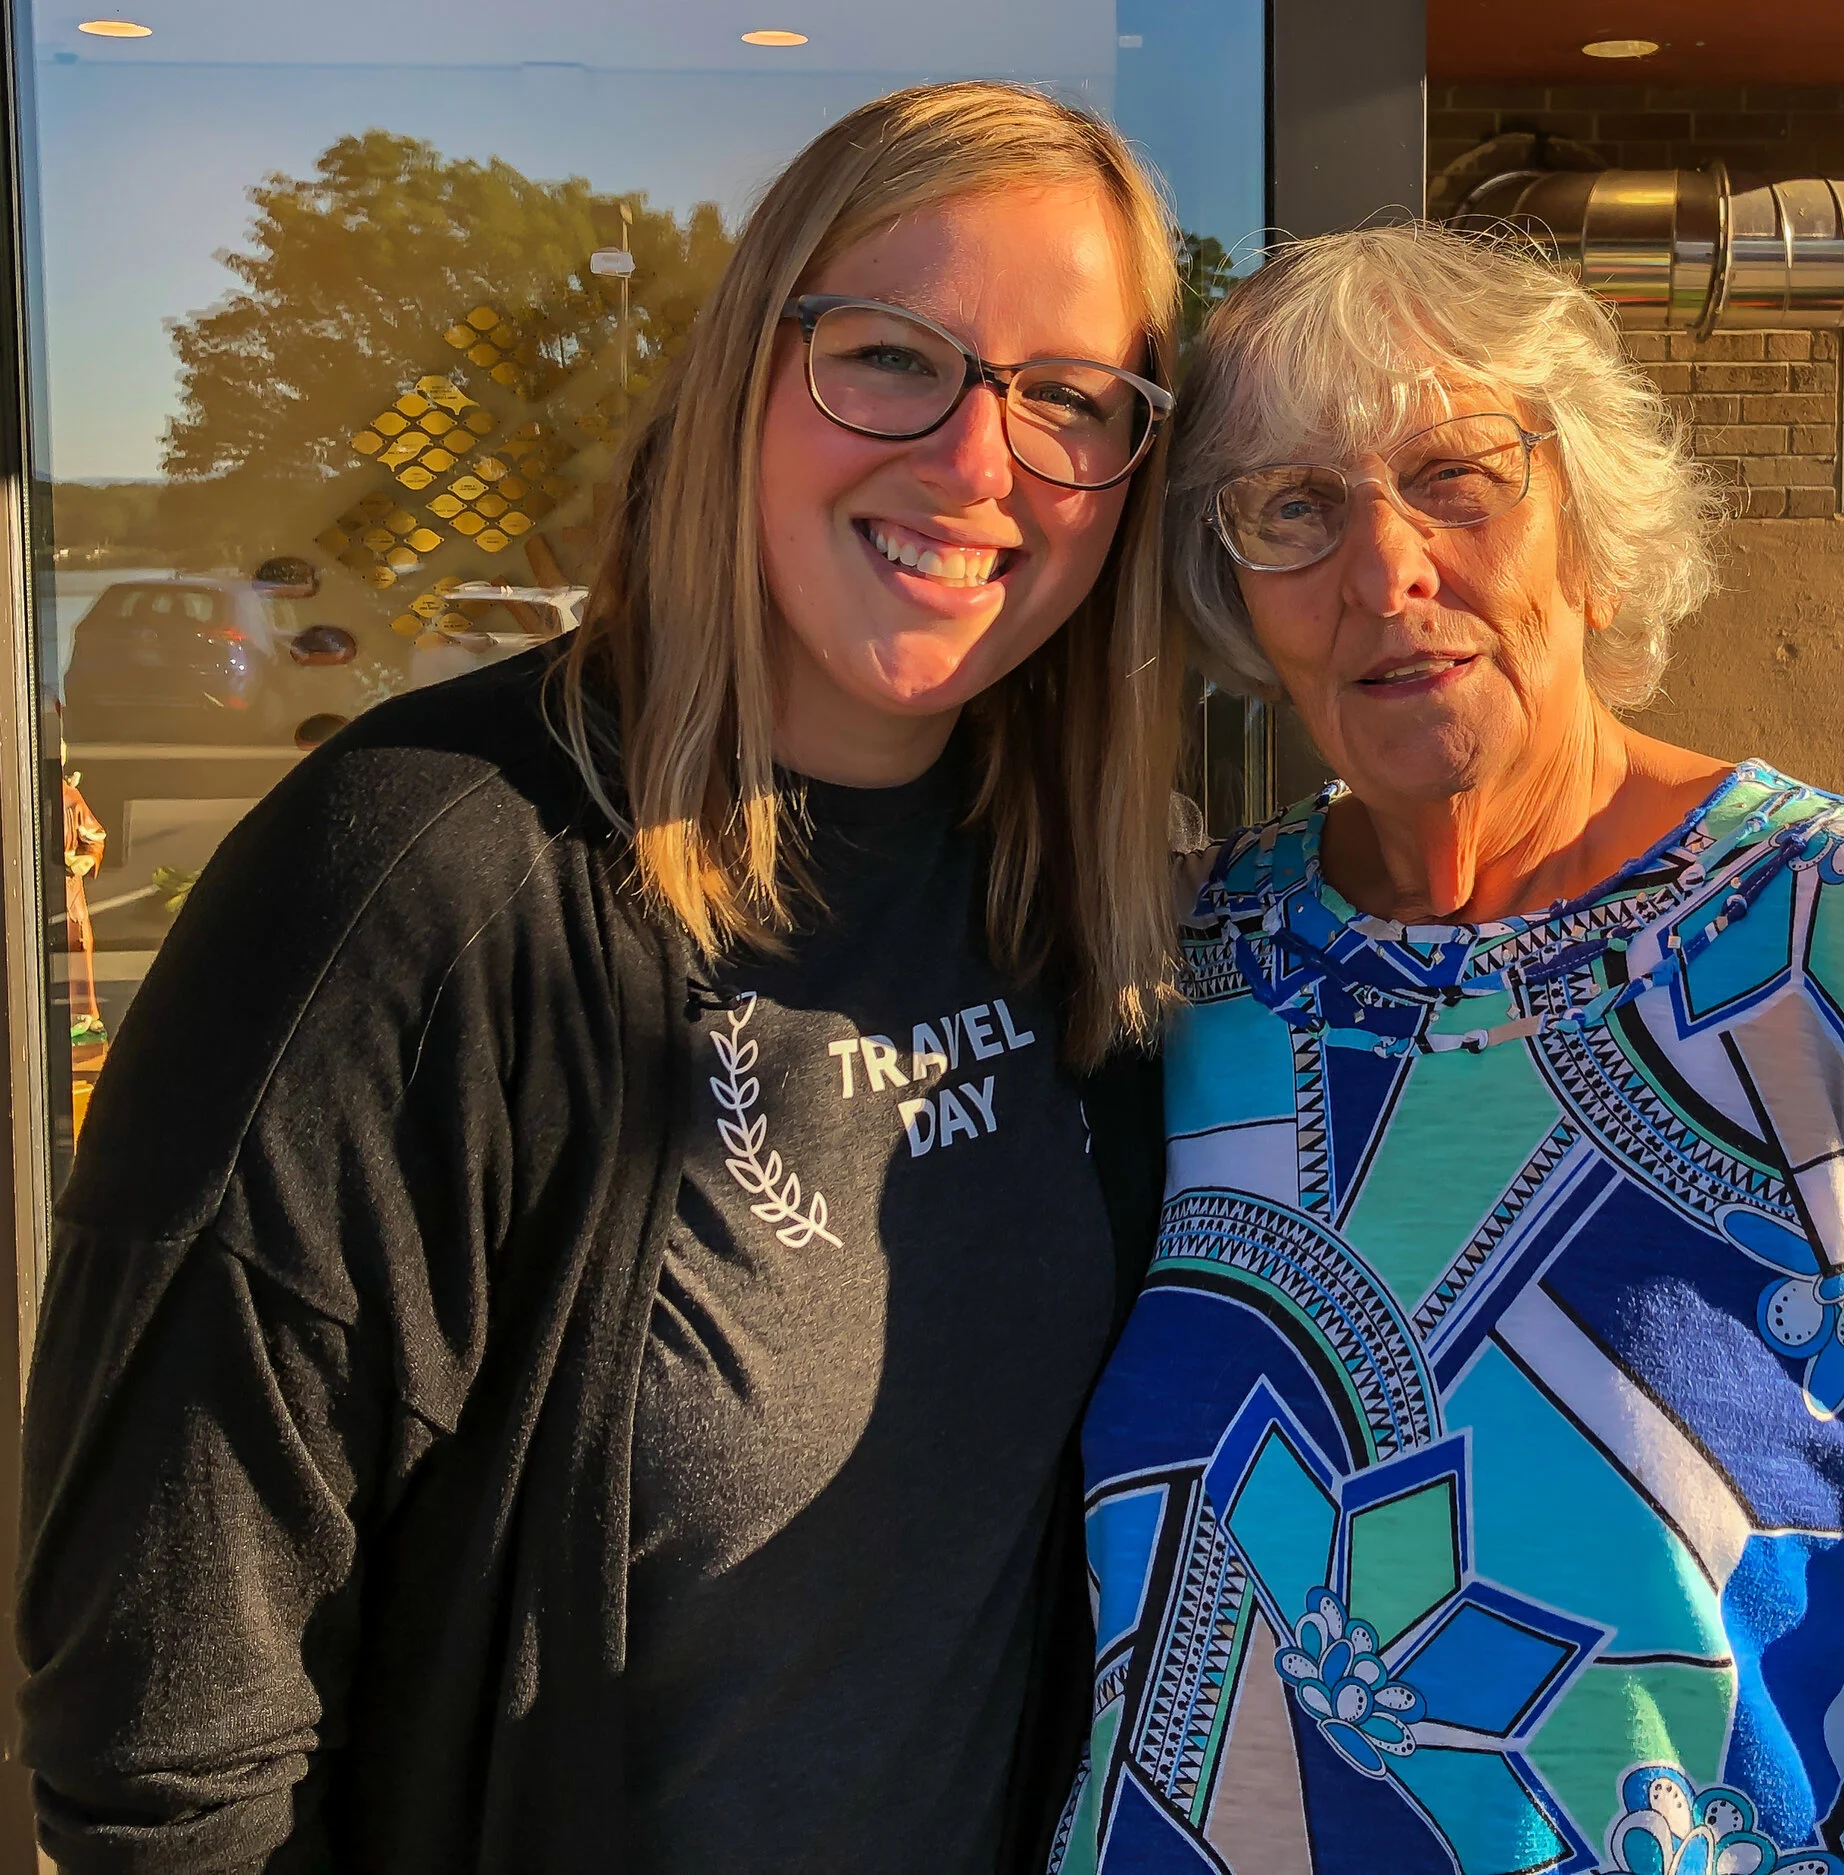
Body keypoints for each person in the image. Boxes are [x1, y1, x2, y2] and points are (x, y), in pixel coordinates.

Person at [20, 81, 1182, 1875]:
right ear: (741, 380)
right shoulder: (413, 886)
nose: (976, 461)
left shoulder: (1081, 895)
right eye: (889, 357)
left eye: (1070, 400)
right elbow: (162, 1746)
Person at [1056, 223, 1844, 1875]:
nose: (1385, 570)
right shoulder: (1192, 969)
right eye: (1295, 508)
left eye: (1456, 476)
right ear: (1236, 587)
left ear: (1589, 526)